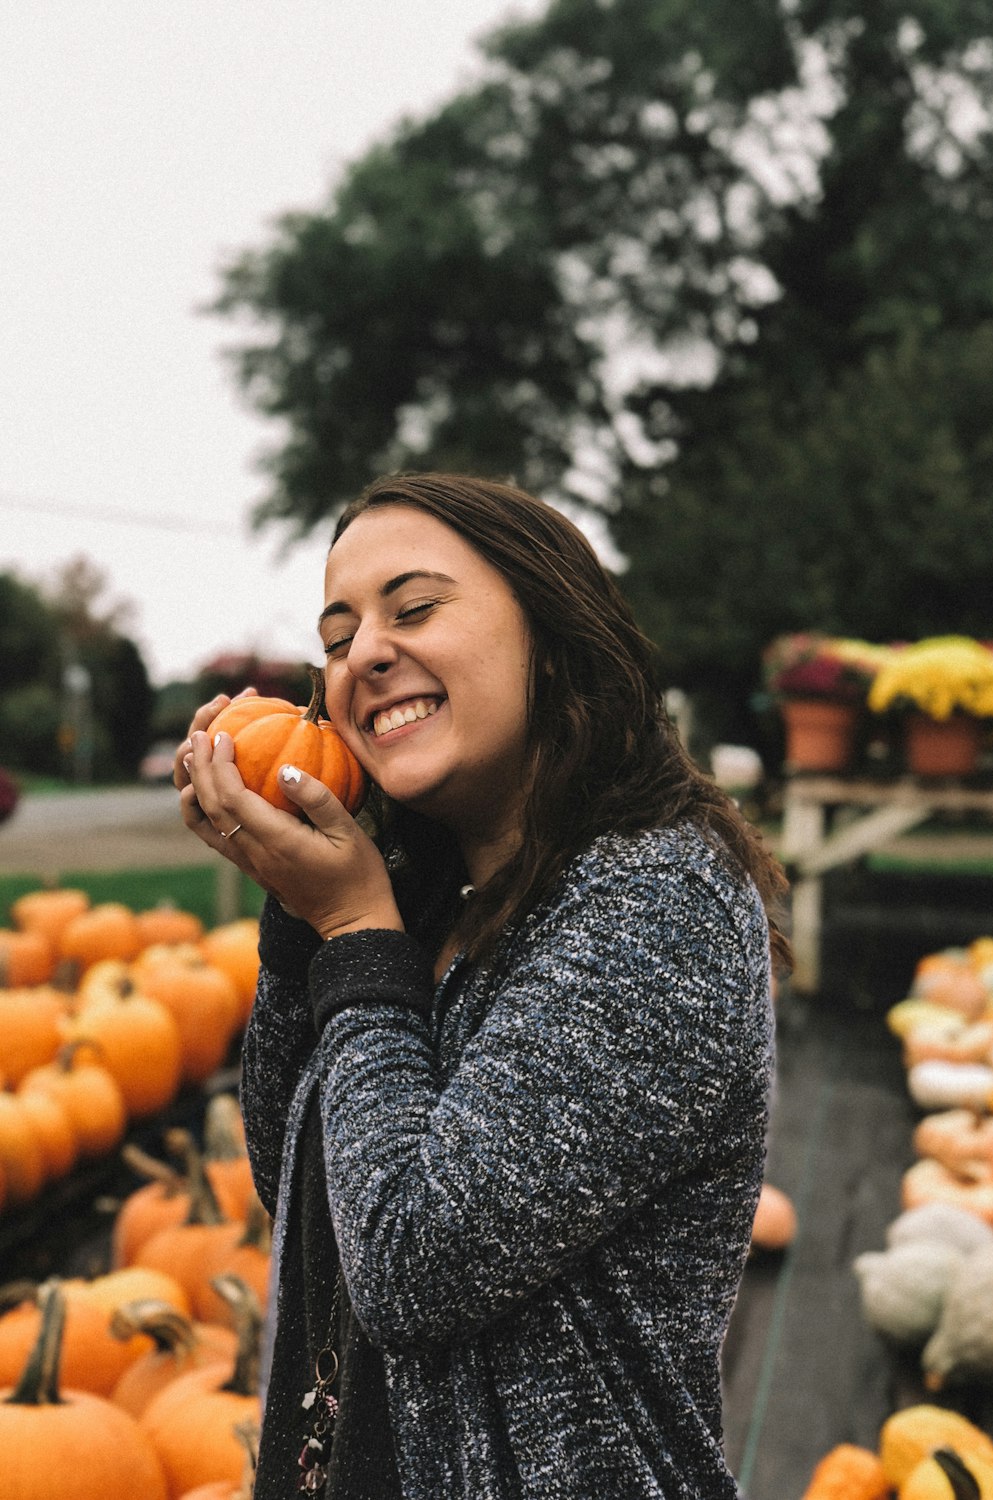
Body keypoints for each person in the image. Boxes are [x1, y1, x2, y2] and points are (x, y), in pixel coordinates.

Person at [176, 472, 789, 1500]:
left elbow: (414, 1267)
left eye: (414, 609)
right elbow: (310, 1200)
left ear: (550, 634)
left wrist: (353, 931)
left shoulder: (656, 899)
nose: (364, 653)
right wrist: (304, 923)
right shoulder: (435, 896)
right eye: (336, 638)